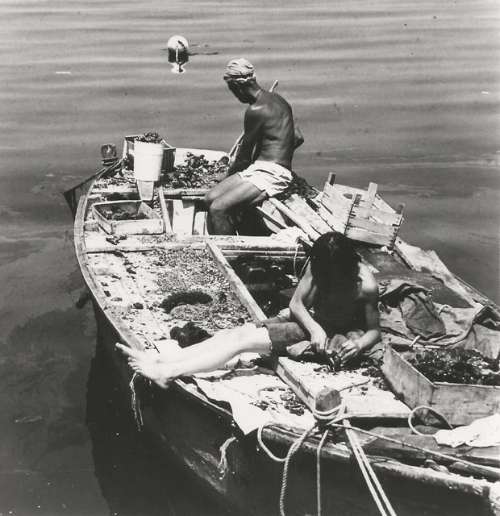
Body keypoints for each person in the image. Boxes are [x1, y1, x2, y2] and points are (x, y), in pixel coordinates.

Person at [117, 232, 381, 389]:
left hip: (333, 334)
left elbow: (374, 332)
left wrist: (358, 345)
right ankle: (162, 362)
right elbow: (296, 304)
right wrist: (314, 329)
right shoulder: (321, 263)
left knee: (242, 343)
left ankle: (169, 373)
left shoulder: (365, 286)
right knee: (233, 334)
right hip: (313, 326)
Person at [204, 58, 304, 234]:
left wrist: (226, 177)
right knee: (209, 197)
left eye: (232, 90)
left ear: (237, 87)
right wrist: (280, 153)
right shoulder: (279, 100)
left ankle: (228, 248)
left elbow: (243, 157)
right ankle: (239, 228)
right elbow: (298, 137)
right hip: (263, 168)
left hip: (272, 174)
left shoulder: (255, 110)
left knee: (218, 208)